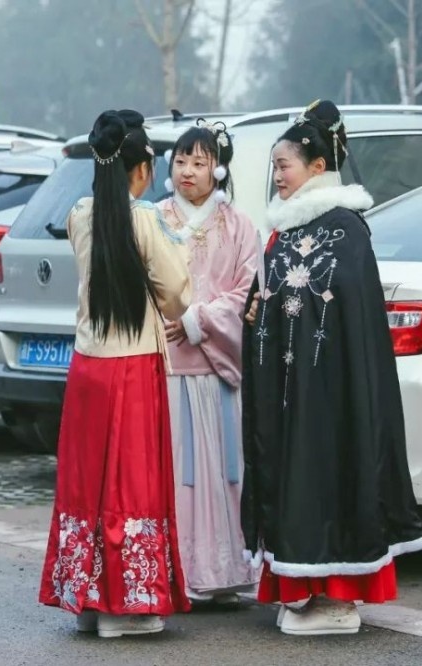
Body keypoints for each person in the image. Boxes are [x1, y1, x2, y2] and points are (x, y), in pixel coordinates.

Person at [241, 100, 422, 636]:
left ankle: (339, 599)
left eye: (285, 165)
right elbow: (271, 295)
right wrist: (257, 309)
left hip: (330, 389)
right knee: (293, 473)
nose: (277, 176)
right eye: (274, 166)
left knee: (327, 475)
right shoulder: (284, 226)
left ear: (317, 167)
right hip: (291, 387)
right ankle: (304, 590)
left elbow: (343, 306)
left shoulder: (344, 227)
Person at [38, 109, 193, 638]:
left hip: (88, 367)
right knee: (131, 483)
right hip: (133, 365)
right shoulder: (145, 220)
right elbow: (176, 292)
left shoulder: (81, 215)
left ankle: (87, 597)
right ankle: (123, 608)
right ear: (143, 168)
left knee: (89, 483)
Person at [157, 120, 260, 605]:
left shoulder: (239, 225)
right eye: (180, 161)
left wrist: (197, 320)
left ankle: (225, 572)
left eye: (199, 163)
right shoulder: (153, 219)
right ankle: (177, 571)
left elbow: (249, 295)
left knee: (224, 471)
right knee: (174, 472)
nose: (188, 172)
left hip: (220, 372)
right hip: (168, 370)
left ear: (217, 169)